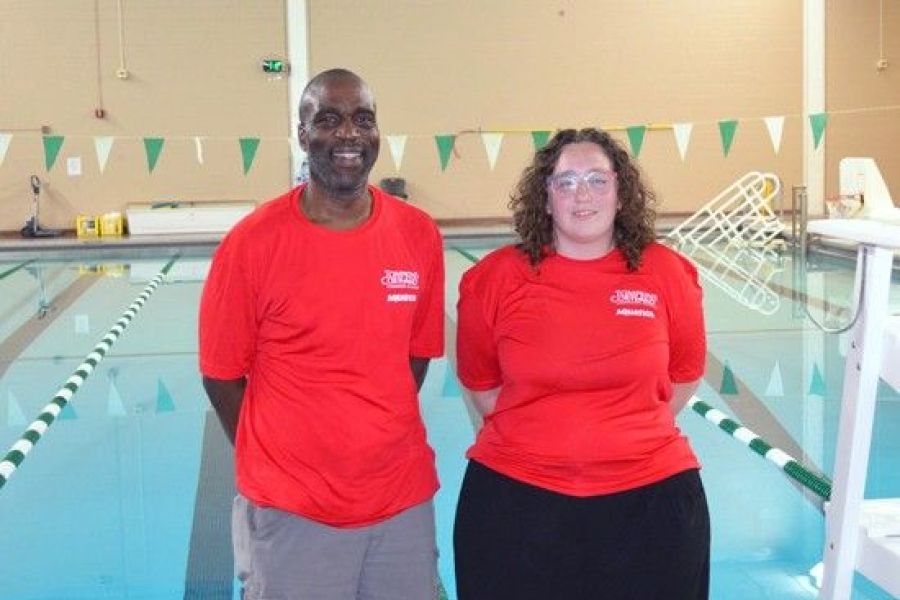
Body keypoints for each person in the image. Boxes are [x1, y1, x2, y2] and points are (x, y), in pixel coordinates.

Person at [199, 68, 444, 600]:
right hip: (293, 511)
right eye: (328, 120)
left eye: (363, 119)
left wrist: (369, 429)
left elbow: (416, 357)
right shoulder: (252, 244)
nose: (348, 135)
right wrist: (280, 458)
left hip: (401, 501)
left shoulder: (417, 233)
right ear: (302, 134)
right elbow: (221, 377)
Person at [453, 127, 710, 599]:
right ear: (545, 199)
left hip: (650, 502)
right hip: (517, 501)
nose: (582, 194)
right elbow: (482, 384)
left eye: (597, 179)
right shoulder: (493, 279)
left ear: (621, 192)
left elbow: (685, 376)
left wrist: (617, 440)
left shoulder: (668, 274)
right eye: (565, 182)